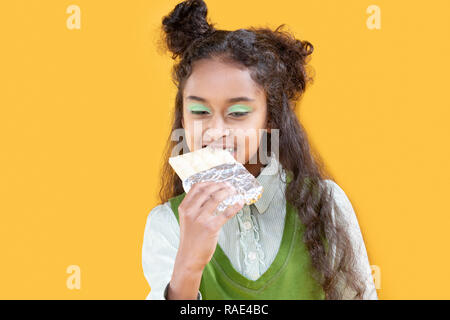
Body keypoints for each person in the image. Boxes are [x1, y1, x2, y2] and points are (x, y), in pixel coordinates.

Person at [142, 0, 378, 300]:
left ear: (269, 119)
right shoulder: (167, 224)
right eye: (200, 111)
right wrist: (188, 267)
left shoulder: (325, 205)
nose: (215, 130)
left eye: (238, 113)